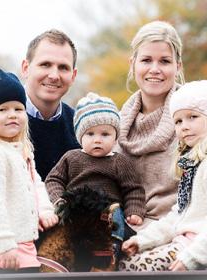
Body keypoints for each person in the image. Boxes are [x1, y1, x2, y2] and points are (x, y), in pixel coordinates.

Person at [119, 80, 207, 271]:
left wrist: (193, 258)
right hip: (190, 242)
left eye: (193, 117)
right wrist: (142, 241)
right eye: (179, 121)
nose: (184, 126)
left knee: (132, 267)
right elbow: (179, 216)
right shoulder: (194, 162)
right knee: (121, 260)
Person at [0, 29, 80, 241]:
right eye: (45, 64)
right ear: (26, 68)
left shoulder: (79, 126)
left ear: (73, 75)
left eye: (63, 67)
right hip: (0, 245)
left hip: (62, 246)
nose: (54, 75)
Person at [0, 67, 58, 272]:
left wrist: (44, 209)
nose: (12, 115)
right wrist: (4, 244)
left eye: (18, 109)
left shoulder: (20, 149)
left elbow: (36, 184)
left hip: (23, 244)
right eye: (2, 110)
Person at [45, 92, 146, 266]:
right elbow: (53, 179)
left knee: (115, 221)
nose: (97, 140)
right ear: (80, 136)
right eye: (90, 134)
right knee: (62, 230)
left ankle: (110, 250)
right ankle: (60, 258)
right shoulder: (71, 157)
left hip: (107, 213)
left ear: (115, 137)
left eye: (105, 134)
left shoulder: (119, 161)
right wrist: (59, 199)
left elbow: (133, 189)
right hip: (76, 210)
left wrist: (134, 210)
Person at [116, 20, 185, 231]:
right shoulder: (115, 123)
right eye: (146, 60)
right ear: (133, 64)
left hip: (175, 231)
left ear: (177, 66)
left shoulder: (194, 117)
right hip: (120, 229)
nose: (154, 69)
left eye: (164, 61)